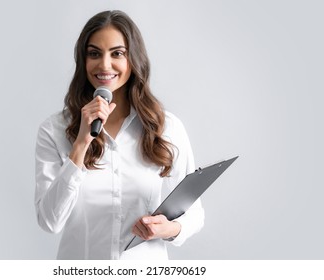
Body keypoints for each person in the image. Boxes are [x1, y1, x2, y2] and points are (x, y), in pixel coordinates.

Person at [34, 10, 204, 260]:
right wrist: (80, 144)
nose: (104, 65)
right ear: (83, 60)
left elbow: (195, 213)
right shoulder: (54, 130)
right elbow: (50, 222)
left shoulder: (167, 127)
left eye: (117, 53)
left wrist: (169, 229)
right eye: (94, 53)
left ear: (134, 59)